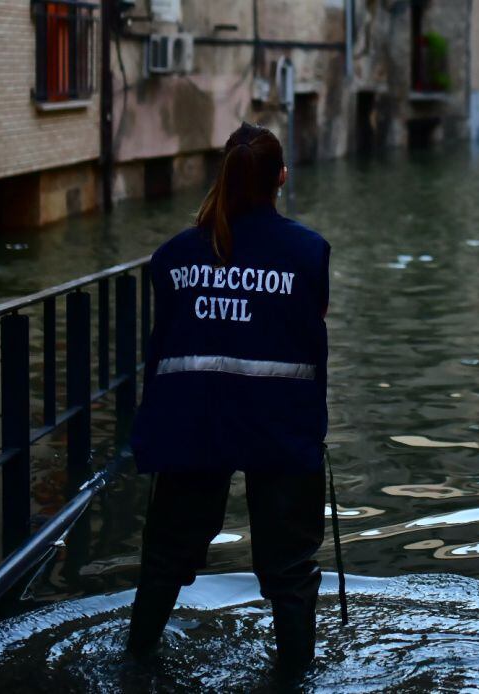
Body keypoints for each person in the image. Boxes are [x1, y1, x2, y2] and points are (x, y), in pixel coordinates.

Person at [126, 122, 331, 675]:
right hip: (280, 427)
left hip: (194, 424)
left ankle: (135, 663)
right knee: (288, 570)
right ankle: (295, 680)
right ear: (281, 179)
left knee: (166, 558)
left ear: (223, 176)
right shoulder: (309, 252)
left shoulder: (172, 258)